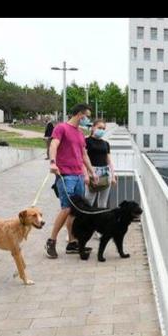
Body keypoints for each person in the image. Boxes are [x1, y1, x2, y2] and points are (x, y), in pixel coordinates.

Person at [45, 104, 98, 258]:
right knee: (67, 208)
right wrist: (53, 162)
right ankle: (51, 241)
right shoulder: (61, 128)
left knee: (76, 211)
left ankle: (72, 243)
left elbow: (84, 155)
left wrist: (91, 171)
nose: (87, 119)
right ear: (79, 114)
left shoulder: (80, 134)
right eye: (86, 116)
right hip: (65, 175)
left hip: (79, 176)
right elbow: (53, 144)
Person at [83, 120, 117, 208]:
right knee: (89, 200)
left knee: (103, 202)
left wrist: (113, 175)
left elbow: (109, 161)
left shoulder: (106, 144)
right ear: (93, 127)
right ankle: (87, 220)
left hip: (105, 173)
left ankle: (100, 220)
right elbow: (83, 159)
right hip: (92, 172)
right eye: (99, 128)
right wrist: (86, 175)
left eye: (103, 128)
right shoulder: (86, 141)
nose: (102, 130)